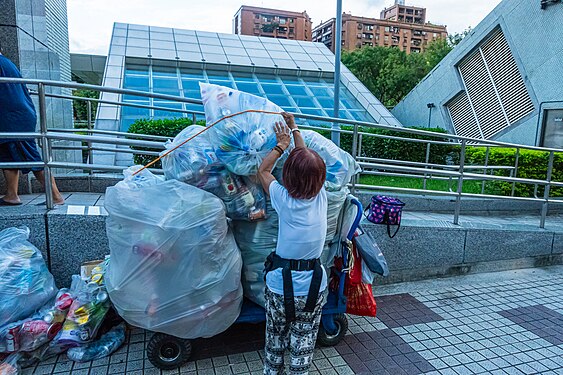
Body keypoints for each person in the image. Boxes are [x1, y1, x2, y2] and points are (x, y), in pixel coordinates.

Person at [258, 112, 328, 375]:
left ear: (288, 177)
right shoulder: (322, 196)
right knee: (303, 345)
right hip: (313, 288)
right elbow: (306, 161)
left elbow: (263, 171)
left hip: (279, 286)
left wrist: (281, 144)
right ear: (319, 178)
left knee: (274, 341)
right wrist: (295, 128)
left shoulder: (283, 199)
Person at [0, 52, 64, 206]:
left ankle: (56, 196)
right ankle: (11, 195)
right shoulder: (6, 62)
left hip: (14, 118)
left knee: (32, 159)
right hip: (15, 115)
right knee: (7, 156)